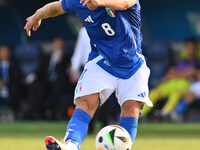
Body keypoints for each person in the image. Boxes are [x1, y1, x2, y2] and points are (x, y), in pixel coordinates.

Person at [24, 0, 153, 150]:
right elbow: (56, 7)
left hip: (133, 63)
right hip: (101, 60)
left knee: (131, 108)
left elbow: (125, 3)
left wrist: (99, 2)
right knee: (85, 102)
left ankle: (125, 147)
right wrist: (37, 16)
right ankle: (71, 145)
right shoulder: (77, 2)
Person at [141, 38, 200, 120]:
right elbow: (168, 75)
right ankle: (141, 114)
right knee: (154, 93)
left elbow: (195, 74)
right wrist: (186, 73)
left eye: (192, 46)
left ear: (196, 48)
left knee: (176, 94)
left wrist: (178, 74)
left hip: (185, 84)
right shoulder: (178, 60)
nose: (190, 48)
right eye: (188, 46)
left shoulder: (197, 62)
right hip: (171, 83)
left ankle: (164, 114)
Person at [26, 38, 72, 120]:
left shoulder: (67, 58)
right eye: (57, 45)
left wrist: (59, 62)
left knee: (58, 87)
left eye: (60, 45)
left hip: (60, 84)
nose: (58, 47)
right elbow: (40, 71)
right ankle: (35, 113)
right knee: (36, 87)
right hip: (46, 83)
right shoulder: (46, 57)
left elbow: (65, 74)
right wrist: (33, 76)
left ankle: (54, 114)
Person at [0, 44, 22, 122]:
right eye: (2, 51)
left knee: (11, 90)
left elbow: (17, 78)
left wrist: (5, 83)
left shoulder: (15, 63)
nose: (4, 53)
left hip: (10, 87)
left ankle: (10, 115)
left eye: (6, 51)